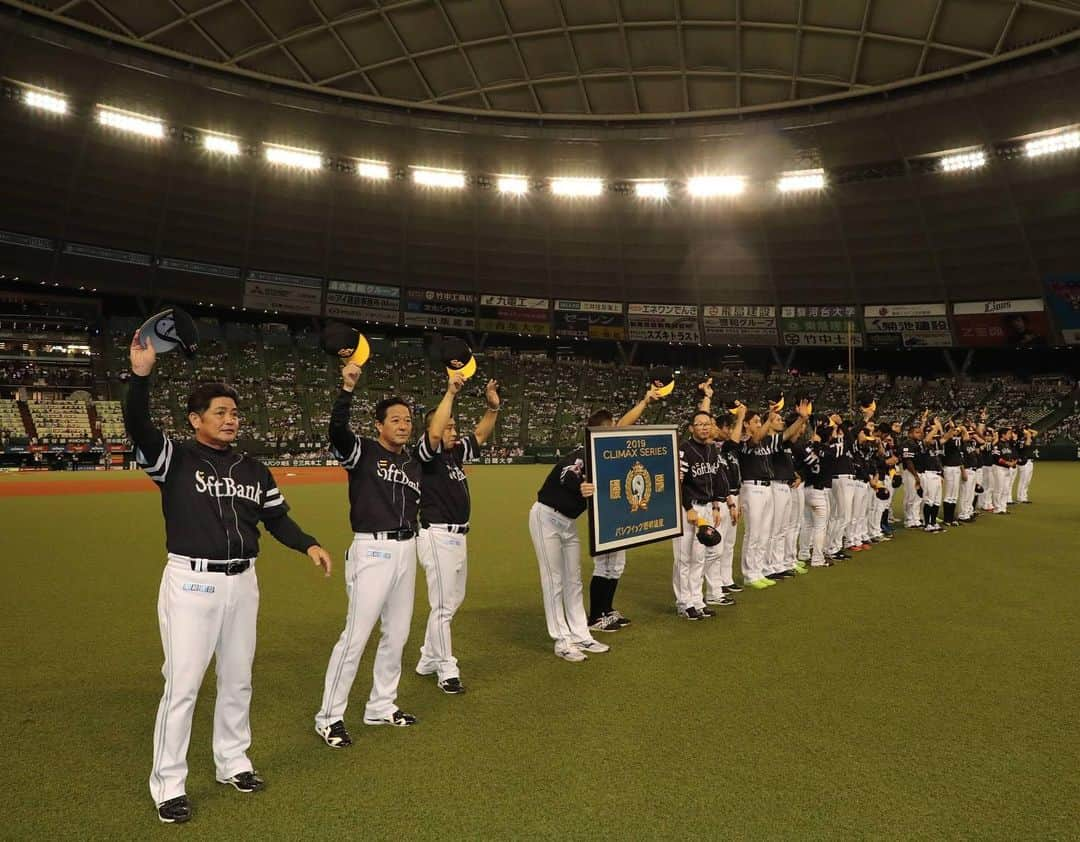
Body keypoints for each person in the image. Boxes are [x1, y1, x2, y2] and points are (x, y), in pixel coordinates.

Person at [123, 331, 332, 825]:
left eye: (234, 412)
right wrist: (139, 376)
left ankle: (232, 761)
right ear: (195, 420)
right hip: (192, 582)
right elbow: (138, 426)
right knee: (184, 685)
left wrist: (310, 543)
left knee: (238, 680)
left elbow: (276, 519)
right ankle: (169, 784)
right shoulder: (172, 458)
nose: (231, 418)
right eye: (219, 412)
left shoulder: (253, 469)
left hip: (243, 583)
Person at [315, 363, 421, 749]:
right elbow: (336, 432)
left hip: (407, 549)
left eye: (407, 420)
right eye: (395, 419)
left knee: (398, 634)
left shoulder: (412, 463)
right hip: (372, 549)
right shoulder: (362, 452)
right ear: (378, 425)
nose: (403, 425)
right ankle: (329, 717)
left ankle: (381, 705)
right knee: (356, 637)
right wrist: (346, 389)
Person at [414, 373, 501, 694]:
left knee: (451, 601)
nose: (453, 431)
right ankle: (447, 669)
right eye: (448, 427)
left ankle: (427, 656)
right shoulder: (426, 454)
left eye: (454, 426)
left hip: (458, 537)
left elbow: (479, 433)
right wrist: (449, 393)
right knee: (442, 606)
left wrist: (492, 409)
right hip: (436, 535)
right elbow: (436, 430)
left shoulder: (453, 454)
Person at [528, 415, 610, 662]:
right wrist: (580, 486)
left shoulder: (603, 458)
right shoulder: (582, 453)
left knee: (573, 580)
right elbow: (567, 474)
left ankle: (580, 634)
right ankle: (562, 641)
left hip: (569, 523)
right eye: (607, 430)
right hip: (547, 518)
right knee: (553, 581)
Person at [586, 385, 664, 632]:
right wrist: (644, 402)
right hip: (604, 513)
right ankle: (596, 617)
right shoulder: (593, 446)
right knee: (604, 565)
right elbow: (623, 426)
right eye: (610, 426)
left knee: (616, 565)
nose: (616, 429)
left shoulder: (611, 447)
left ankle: (607, 610)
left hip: (618, 511)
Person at [673, 410, 737, 619]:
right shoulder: (684, 450)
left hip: (707, 507)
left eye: (707, 424)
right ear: (691, 428)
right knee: (684, 558)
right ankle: (684, 602)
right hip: (689, 508)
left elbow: (717, 479)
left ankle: (697, 600)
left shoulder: (711, 449)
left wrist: (716, 506)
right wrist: (687, 507)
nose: (704, 427)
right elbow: (677, 483)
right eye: (699, 424)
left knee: (699, 557)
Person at [1015, 427, 1037, 503]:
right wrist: (1025, 430)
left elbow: (1035, 432)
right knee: (1023, 480)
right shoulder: (1021, 440)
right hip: (1024, 462)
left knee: (1027, 481)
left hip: (1030, 461)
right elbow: (1028, 438)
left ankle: (1024, 496)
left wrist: (1028, 429)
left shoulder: (1027, 438)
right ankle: (1021, 497)